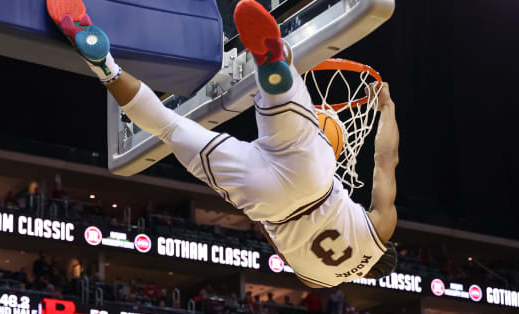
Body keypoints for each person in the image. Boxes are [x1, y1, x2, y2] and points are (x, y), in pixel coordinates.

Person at [46, 0, 399, 287]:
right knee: (169, 129)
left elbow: (386, 159)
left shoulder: (381, 231)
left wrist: (386, 108)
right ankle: (103, 64)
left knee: (282, 83)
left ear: (388, 249)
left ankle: (275, 67)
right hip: (267, 202)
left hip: (314, 181)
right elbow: (268, 234)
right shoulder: (317, 282)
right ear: (367, 274)